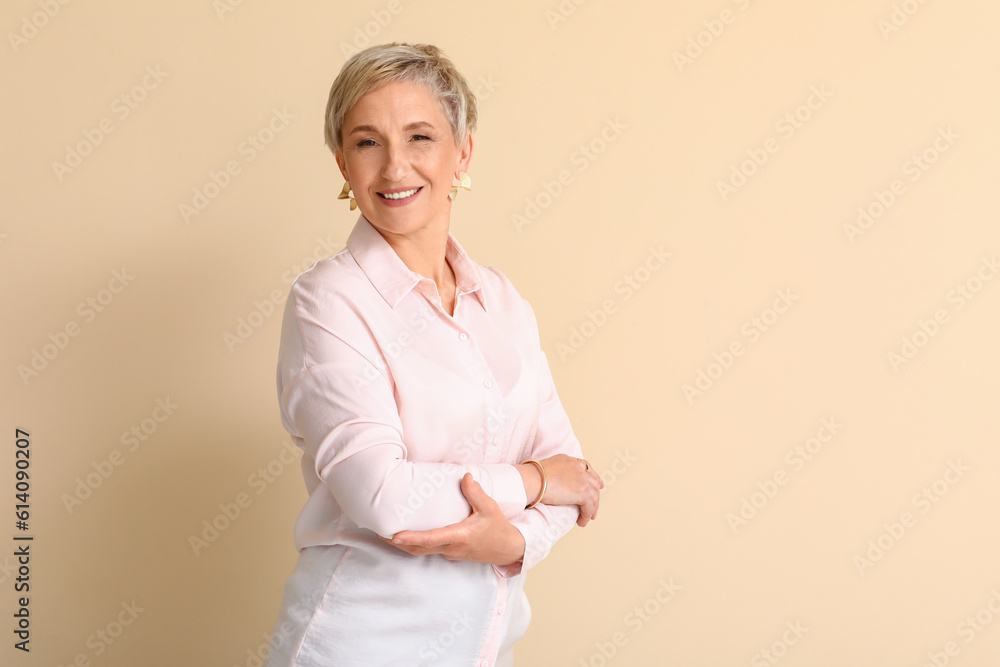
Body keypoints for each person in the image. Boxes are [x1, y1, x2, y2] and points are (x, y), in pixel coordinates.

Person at [263, 42, 603, 667]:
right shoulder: (328, 301)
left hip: (483, 645)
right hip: (358, 647)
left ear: (463, 152)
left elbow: (572, 474)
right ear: (343, 163)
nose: (395, 167)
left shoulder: (502, 300)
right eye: (367, 142)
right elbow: (383, 495)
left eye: (420, 136)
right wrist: (531, 483)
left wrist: (513, 540)